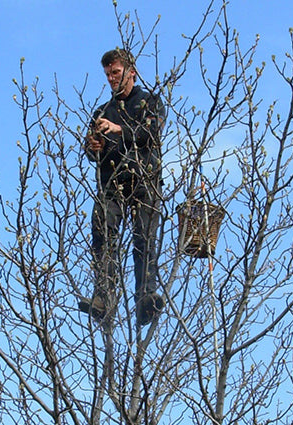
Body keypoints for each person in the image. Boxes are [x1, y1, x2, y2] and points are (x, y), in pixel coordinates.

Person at [78, 48, 166, 326]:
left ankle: (146, 300)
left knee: (144, 239)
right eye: (107, 75)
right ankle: (103, 299)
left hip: (144, 179)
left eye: (115, 72)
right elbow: (92, 152)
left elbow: (151, 132)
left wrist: (118, 130)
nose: (112, 79)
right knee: (103, 233)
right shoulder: (102, 111)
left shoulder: (149, 102)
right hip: (112, 182)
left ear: (131, 72)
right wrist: (93, 146)